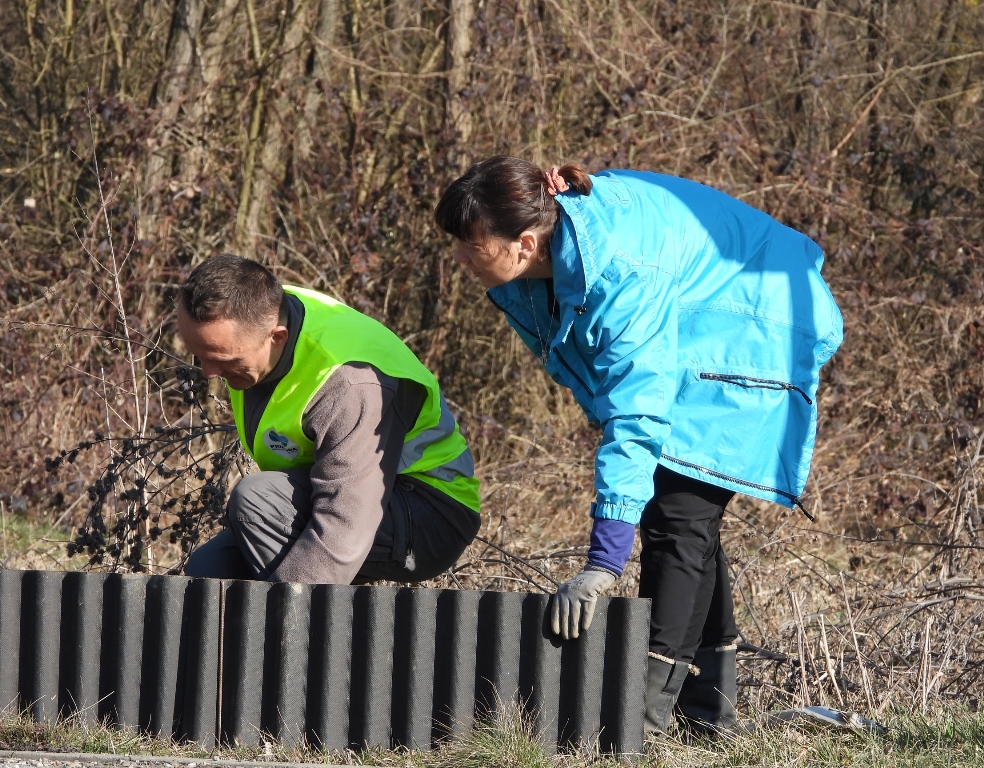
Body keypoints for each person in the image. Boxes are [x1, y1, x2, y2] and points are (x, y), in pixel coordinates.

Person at [433, 157, 843, 734]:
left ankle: (642, 718)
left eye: (469, 244)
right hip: (699, 307)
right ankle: (707, 713)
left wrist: (603, 562)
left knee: (678, 514)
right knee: (683, 514)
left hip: (752, 320)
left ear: (525, 243)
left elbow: (636, 412)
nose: (458, 258)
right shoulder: (531, 270)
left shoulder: (622, 273)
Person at [177, 254, 481, 584]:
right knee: (210, 571)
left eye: (223, 359)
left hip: (427, 512)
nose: (208, 372)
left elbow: (343, 525)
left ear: (276, 337)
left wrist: (285, 622)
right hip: (351, 490)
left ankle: (320, 636)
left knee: (258, 501)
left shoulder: (350, 382)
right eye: (199, 355)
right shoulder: (259, 309)